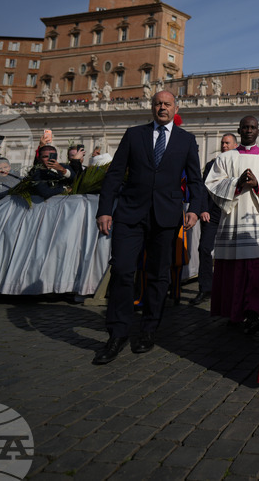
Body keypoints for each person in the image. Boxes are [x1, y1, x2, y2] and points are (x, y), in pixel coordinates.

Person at [93, 91, 206, 365]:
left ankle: (148, 329)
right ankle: (117, 333)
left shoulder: (186, 140)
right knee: (121, 271)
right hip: (130, 214)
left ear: (175, 108)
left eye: (167, 104)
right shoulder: (133, 135)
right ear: (151, 107)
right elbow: (115, 174)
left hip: (166, 217)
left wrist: (193, 208)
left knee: (158, 276)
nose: (162, 108)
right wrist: (105, 209)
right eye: (158, 104)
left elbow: (195, 180)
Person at [205, 117, 259, 333]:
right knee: (235, 272)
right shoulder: (225, 158)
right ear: (239, 130)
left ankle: (258, 313)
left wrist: (258, 183)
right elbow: (212, 184)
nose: (249, 130)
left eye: (253, 127)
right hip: (233, 222)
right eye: (245, 127)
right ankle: (235, 313)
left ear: (258, 131)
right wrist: (236, 183)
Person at [192, 133, 238, 306]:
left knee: (231, 253)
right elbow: (203, 189)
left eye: (227, 143)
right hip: (212, 214)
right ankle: (205, 287)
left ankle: (230, 289)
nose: (224, 145)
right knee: (204, 248)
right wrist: (202, 209)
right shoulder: (212, 164)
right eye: (222, 143)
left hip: (231, 215)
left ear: (235, 145)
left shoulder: (241, 163)